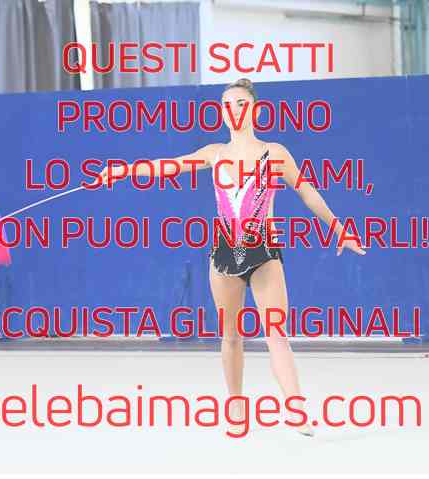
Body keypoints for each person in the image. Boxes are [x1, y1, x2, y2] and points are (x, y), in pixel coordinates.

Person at [100, 78, 365, 437]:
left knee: (276, 333)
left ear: (255, 109)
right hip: (224, 254)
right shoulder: (215, 153)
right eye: (227, 105)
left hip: (263, 251)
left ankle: (296, 407)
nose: (234, 110)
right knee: (231, 336)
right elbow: (170, 165)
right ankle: (236, 407)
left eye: (241, 103)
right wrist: (122, 170)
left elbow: (307, 192)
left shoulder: (275, 153)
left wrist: (337, 227)